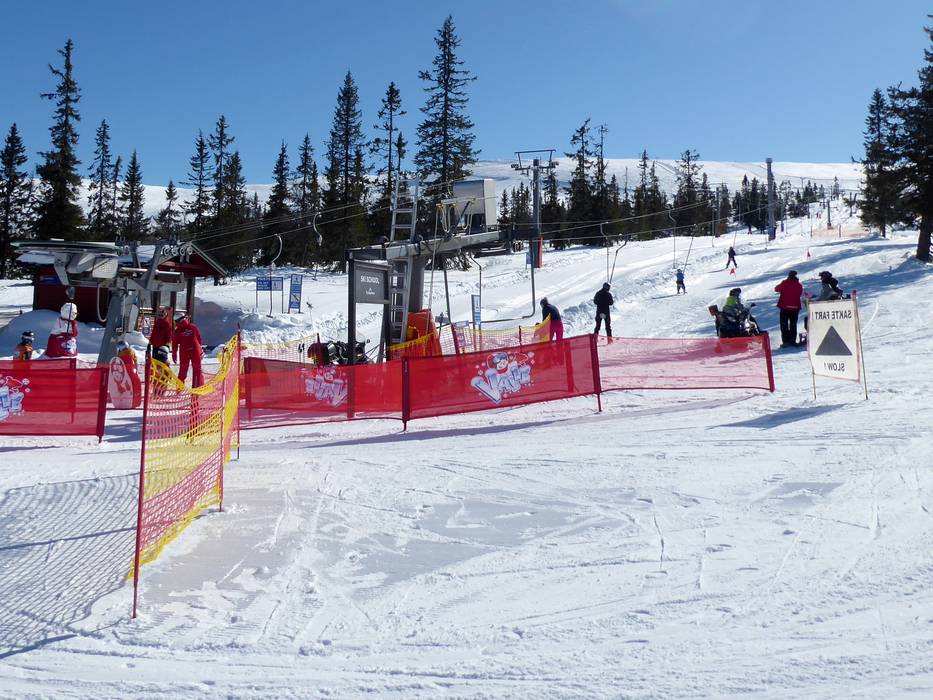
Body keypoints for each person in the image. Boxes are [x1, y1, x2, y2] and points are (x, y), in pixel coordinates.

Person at [172, 312, 204, 387]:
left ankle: (179, 389)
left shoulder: (177, 331)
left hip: (184, 352)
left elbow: (174, 344)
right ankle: (198, 388)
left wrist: (174, 354)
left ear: (177, 321)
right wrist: (200, 350)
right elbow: (199, 339)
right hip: (195, 351)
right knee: (197, 370)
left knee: (182, 371)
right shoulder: (193, 327)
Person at [774, 270, 803, 347]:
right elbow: (800, 294)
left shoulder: (785, 283)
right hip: (795, 307)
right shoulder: (799, 285)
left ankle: (786, 341)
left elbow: (776, 289)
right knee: (793, 324)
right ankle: (792, 340)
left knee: (784, 324)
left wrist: (784, 283)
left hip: (784, 307)